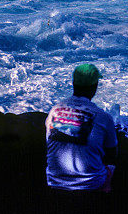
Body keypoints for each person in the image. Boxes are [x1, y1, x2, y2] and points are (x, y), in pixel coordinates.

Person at [45, 64, 118, 192]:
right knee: (111, 167)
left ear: (73, 83)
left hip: (54, 182)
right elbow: (112, 153)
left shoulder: (54, 111)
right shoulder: (103, 117)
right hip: (90, 185)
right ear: (95, 87)